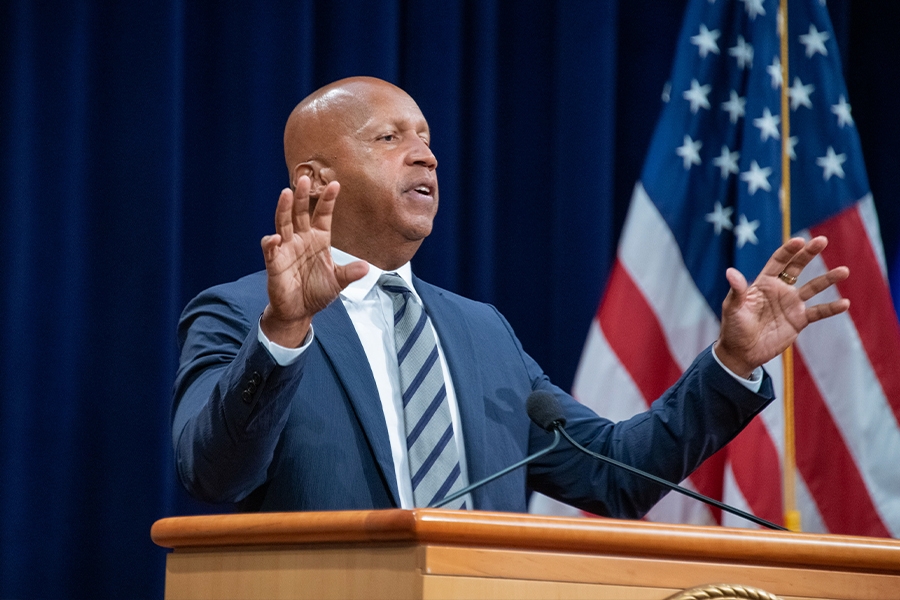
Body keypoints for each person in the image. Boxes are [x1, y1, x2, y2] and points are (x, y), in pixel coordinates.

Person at [172, 76, 849, 516]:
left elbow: (617, 475)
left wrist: (730, 364)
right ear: (317, 178)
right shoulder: (238, 314)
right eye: (389, 138)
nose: (426, 156)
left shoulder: (481, 331)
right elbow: (213, 474)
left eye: (427, 140)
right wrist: (286, 332)